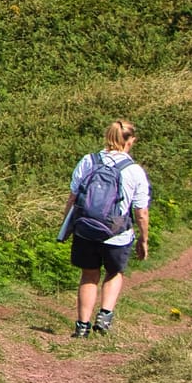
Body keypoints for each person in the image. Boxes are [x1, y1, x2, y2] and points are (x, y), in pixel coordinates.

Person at [65, 121, 150, 337]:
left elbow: (73, 196)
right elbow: (141, 211)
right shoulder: (134, 171)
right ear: (131, 141)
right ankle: (104, 315)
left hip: (86, 229)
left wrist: (67, 224)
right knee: (114, 273)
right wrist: (143, 239)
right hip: (117, 234)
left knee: (88, 275)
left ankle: (82, 327)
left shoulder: (89, 161)